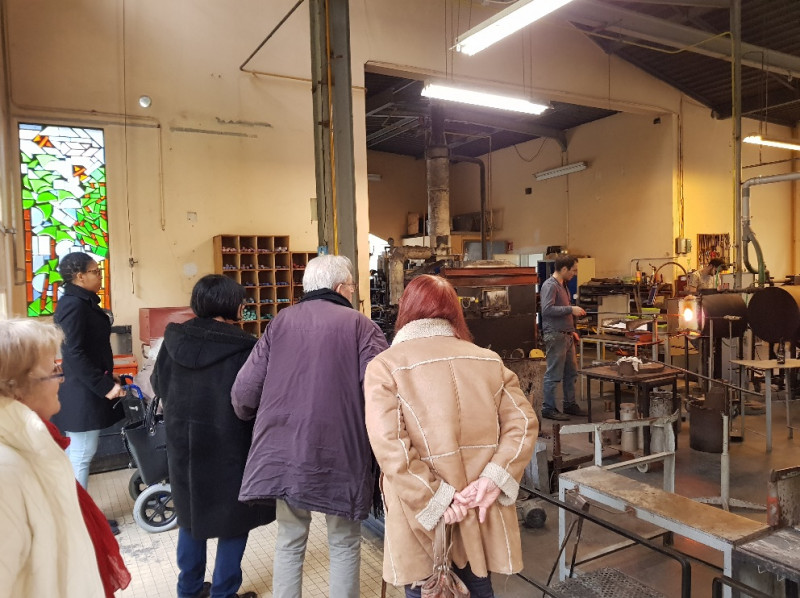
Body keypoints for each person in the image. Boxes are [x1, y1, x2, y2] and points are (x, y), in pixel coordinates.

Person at [363, 275, 538, 597]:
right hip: (477, 506)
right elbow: (524, 423)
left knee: (427, 587)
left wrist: (437, 499)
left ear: (406, 311)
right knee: (477, 583)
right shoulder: (488, 360)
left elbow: (391, 447)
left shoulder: (385, 366)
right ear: (455, 312)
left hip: (419, 512)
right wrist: (493, 478)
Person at [232, 255, 388, 598]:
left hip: (284, 448)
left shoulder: (281, 322)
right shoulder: (362, 326)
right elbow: (380, 393)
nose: (353, 292)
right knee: (345, 541)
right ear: (339, 288)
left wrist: (251, 420)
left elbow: (244, 392)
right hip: (342, 448)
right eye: (351, 286)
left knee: (289, 538)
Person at [152, 275, 275, 598]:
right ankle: (223, 591)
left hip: (184, 445)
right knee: (234, 519)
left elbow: (158, 384)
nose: (244, 306)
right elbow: (254, 399)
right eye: (241, 301)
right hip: (230, 445)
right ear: (230, 305)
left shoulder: (173, 341)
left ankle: (189, 589)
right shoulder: (244, 347)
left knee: (191, 515)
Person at [0, 318, 130, 597]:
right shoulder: (6, 472)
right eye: (53, 370)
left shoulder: (34, 443)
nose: (61, 380)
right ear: (17, 387)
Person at [51, 252, 126, 503]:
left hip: (87, 386)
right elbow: (73, 353)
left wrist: (108, 375)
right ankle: (82, 519)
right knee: (82, 454)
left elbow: (90, 348)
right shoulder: (73, 305)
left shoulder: (83, 301)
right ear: (79, 276)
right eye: (95, 271)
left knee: (81, 453)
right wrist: (103, 385)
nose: (99, 275)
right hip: (82, 391)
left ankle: (80, 515)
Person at [540, 254, 586, 421]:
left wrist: (572, 329)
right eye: (573, 270)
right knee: (553, 374)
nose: (574, 273)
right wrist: (570, 309)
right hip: (555, 335)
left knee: (571, 373)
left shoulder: (563, 286)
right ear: (564, 269)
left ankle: (569, 404)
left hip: (566, 335)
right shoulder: (550, 286)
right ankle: (548, 407)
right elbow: (547, 310)